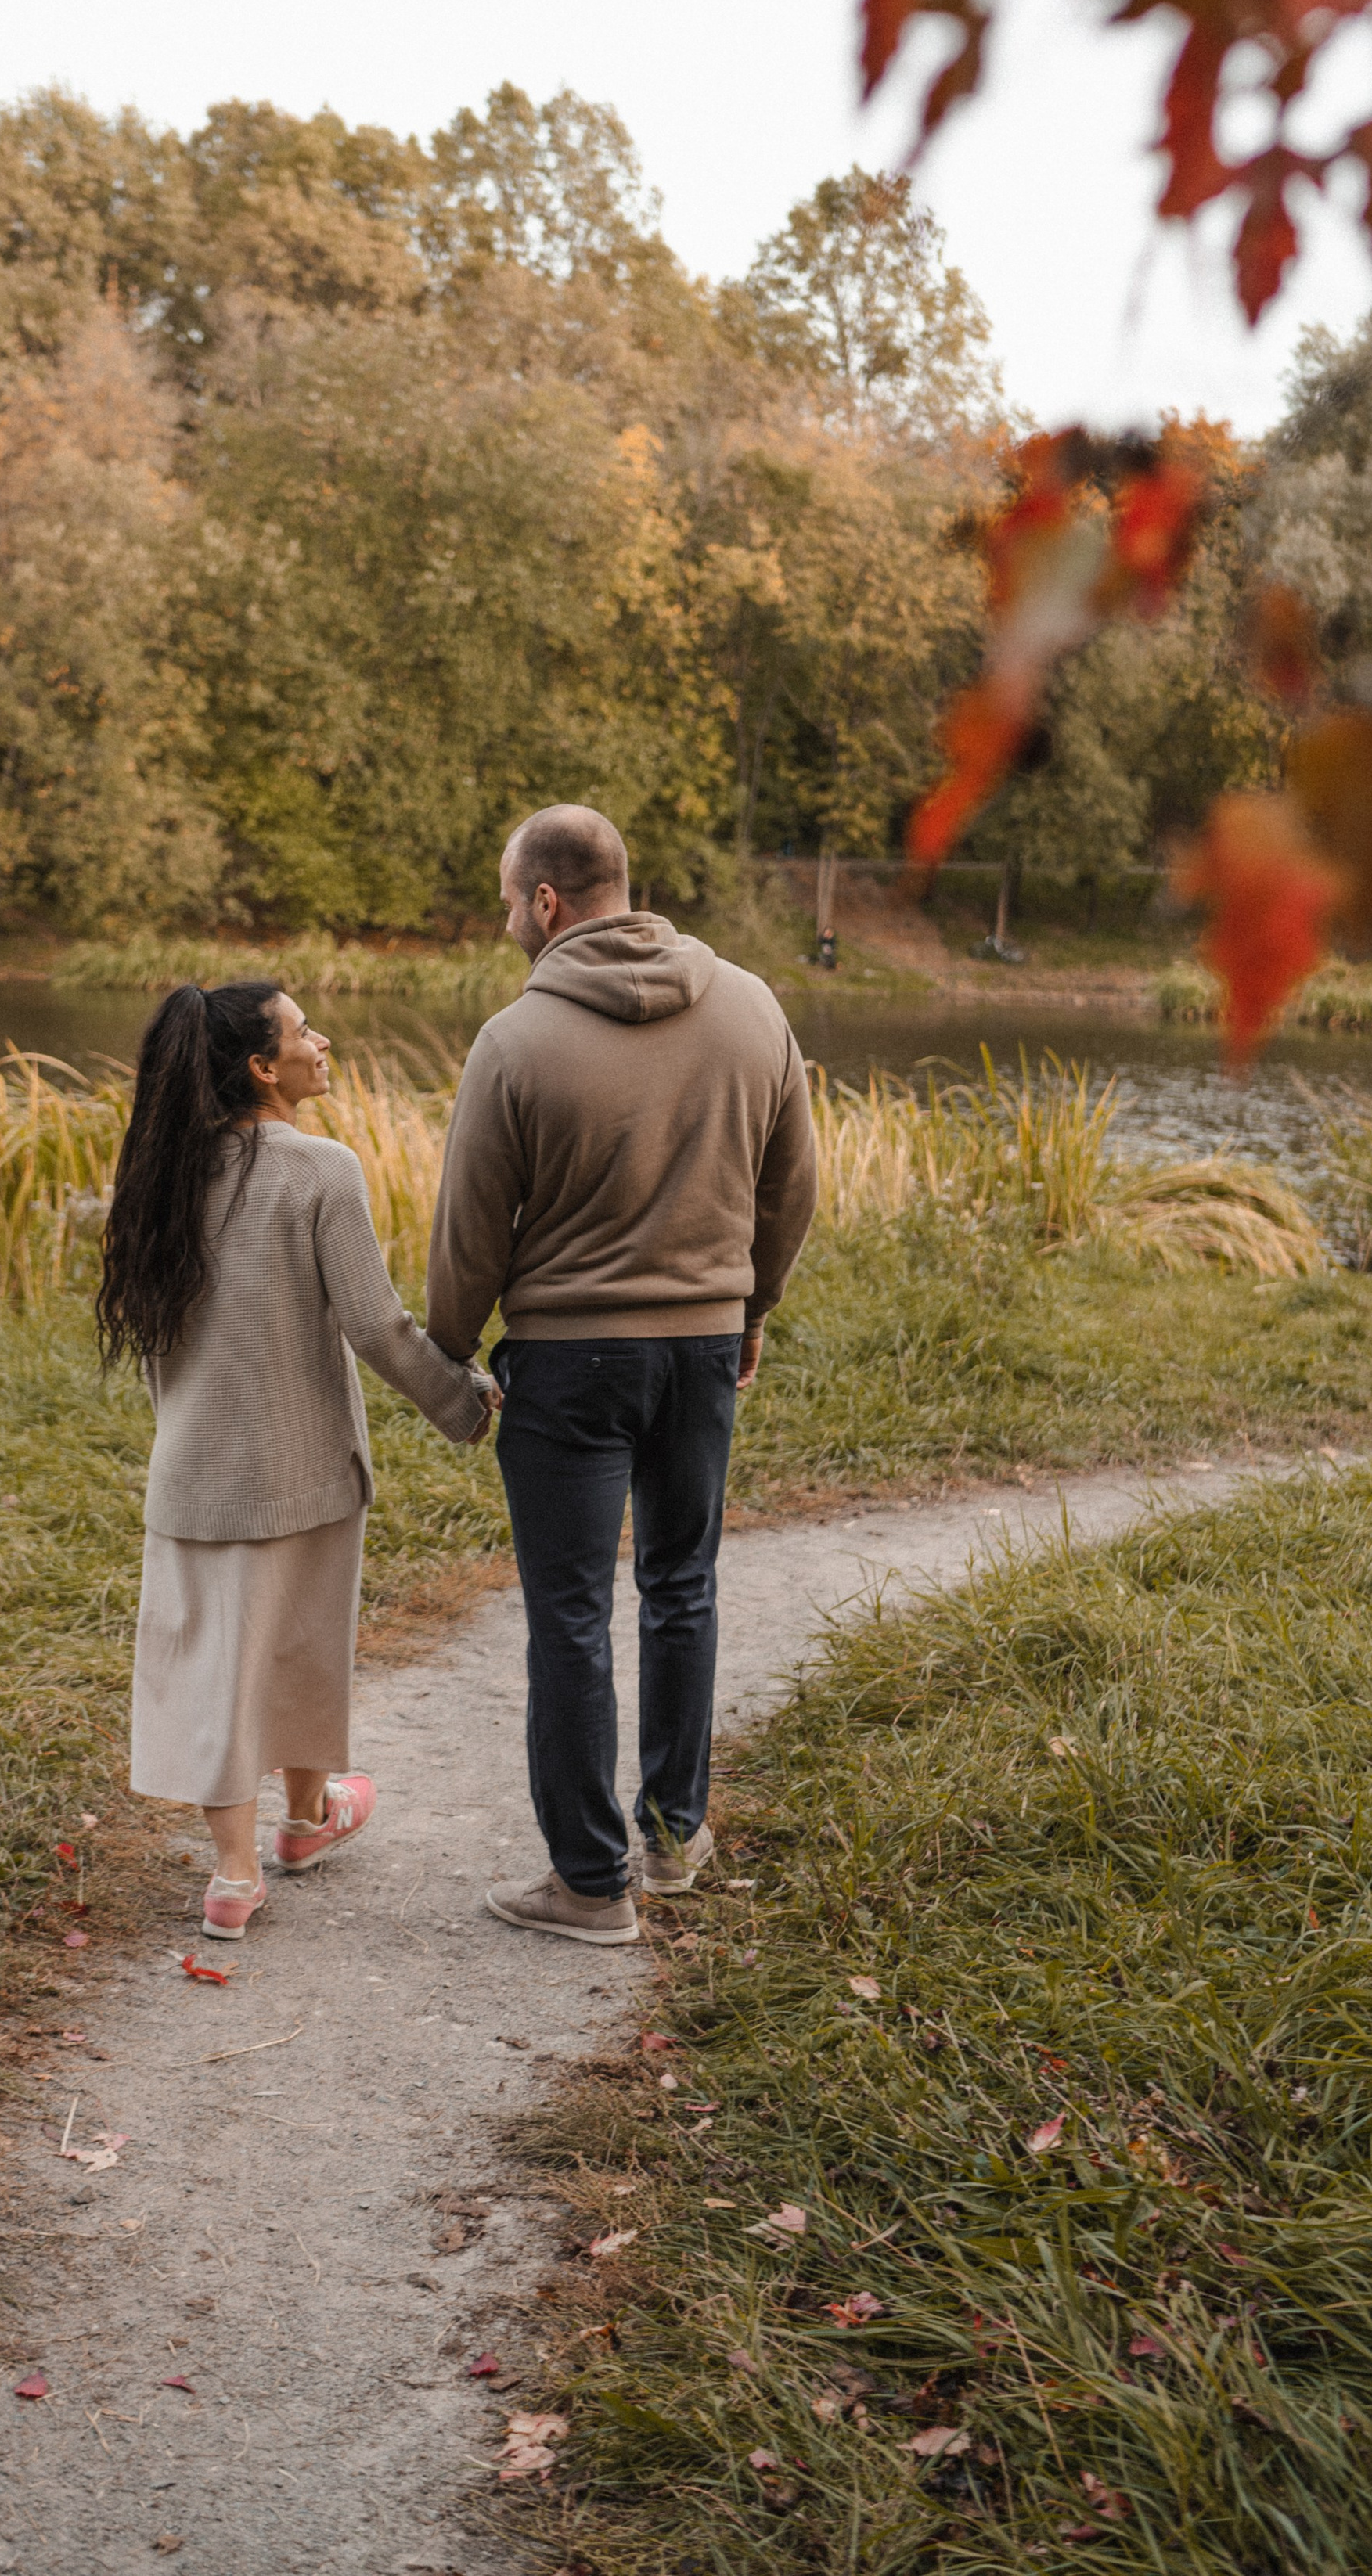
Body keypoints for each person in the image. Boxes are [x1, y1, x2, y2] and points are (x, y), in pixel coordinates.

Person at [426, 805, 817, 1946]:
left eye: (512, 901)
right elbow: (795, 1185)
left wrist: (452, 1345)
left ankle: (590, 1885)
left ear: (546, 901)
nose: (511, 920)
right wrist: (751, 1305)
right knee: (683, 1582)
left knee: (569, 1610)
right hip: (702, 1349)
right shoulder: (752, 1006)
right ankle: (675, 1834)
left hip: (568, 1360)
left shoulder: (515, 1039)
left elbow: (469, 1234)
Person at [98, 980, 495, 1939]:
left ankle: (235, 1875)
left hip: (191, 1469)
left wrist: (183, 1436)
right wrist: (463, 1403)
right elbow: (375, 1323)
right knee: (304, 1641)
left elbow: (159, 1347)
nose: (325, 1039)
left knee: (214, 1669)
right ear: (262, 1068)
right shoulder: (321, 1168)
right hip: (306, 1465)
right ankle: (306, 1822)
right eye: (303, 1029)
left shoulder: (159, 1176)